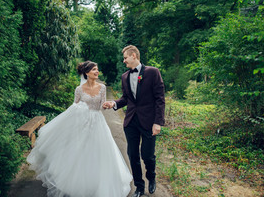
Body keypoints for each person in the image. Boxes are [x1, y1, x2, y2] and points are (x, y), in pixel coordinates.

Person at [27, 60, 132, 197]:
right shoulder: (79, 89)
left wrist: (106, 105)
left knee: (99, 152)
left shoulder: (102, 88)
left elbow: (101, 107)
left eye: (97, 69)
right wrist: (80, 112)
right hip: (81, 124)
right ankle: (78, 184)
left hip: (98, 123)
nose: (97, 72)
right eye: (94, 69)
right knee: (80, 152)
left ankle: (97, 184)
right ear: (87, 72)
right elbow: (74, 107)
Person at [103, 45, 165, 197]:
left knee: (147, 155)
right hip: (131, 121)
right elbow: (126, 98)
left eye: (125, 58)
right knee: (132, 154)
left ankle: (151, 177)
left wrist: (158, 122)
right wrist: (114, 104)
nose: (124, 61)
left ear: (133, 56)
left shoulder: (152, 72)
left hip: (149, 122)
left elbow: (160, 99)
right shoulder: (125, 76)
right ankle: (139, 187)